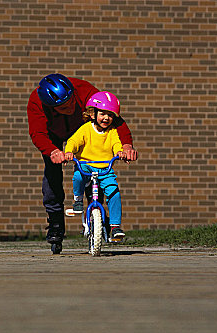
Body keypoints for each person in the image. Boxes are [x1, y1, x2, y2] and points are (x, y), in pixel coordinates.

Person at [27, 73, 137, 248]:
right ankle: (55, 224)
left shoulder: (84, 91)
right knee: (52, 173)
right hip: (53, 136)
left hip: (85, 130)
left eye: (71, 101)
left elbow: (113, 117)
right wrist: (53, 151)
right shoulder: (36, 102)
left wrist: (127, 145)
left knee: (94, 169)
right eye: (63, 108)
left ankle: (96, 213)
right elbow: (38, 133)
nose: (71, 108)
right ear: (51, 107)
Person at [65, 91, 127, 239]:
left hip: (105, 168)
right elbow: (73, 141)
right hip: (86, 165)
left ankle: (115, 227)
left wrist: (120, 152)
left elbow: (116, 144)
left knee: (114, 192)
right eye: (103, 113)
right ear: (93, 114)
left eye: (110, 115)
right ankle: (78, 200)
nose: (106, 118)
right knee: (78, 177)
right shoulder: (86, 129)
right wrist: (69, 152)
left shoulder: (112, 132)